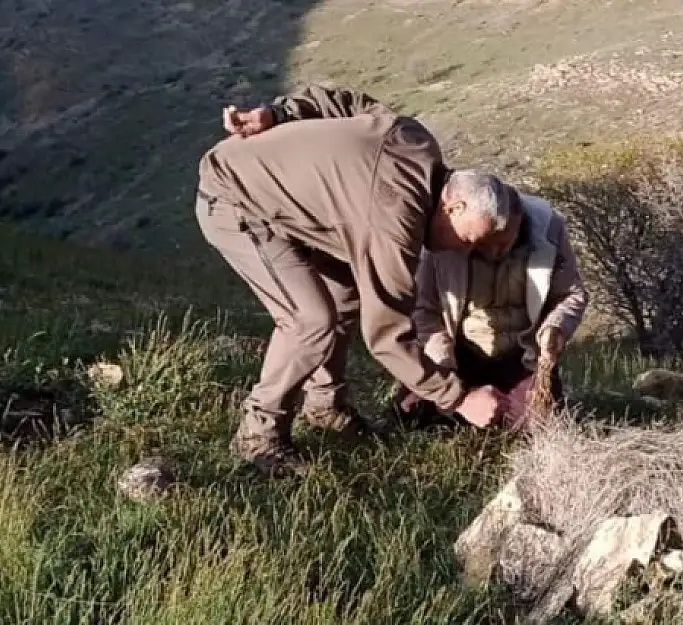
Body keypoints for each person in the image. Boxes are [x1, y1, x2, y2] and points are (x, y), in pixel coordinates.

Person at [196, 82, 519, 476]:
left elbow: (342, 102)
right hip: (234, 199)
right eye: (468, 239)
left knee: (346, 293)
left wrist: (278, 114)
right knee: (309, 322)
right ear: (454, 204)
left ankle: (324, 406)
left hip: (285, 205)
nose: (463, 252)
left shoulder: (416, 142)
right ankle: (259, 437)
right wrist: (459, 397)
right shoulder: (395, 220)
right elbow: (387, 335)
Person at [393, 185, 588, 431]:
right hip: (456, 349)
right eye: (485, 243)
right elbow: (423, 310)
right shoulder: (441, 237)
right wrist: (446, 372)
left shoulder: (548, 229)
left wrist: (555, 328)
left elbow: (570, 294)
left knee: (538, 423)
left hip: (519, 353)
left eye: (505, 242)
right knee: (412, 415)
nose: (495, 252)